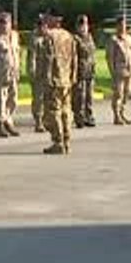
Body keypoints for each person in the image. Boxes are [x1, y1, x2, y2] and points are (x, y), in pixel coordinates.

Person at [41, 9, 78, 154]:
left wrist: (46, 78)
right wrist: (73, 76)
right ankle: (67, 140)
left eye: (47, 18)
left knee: (53, 111)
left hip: (54, 79)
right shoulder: (68, 36)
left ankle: (58, 141)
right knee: (66, 110)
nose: (45, 21)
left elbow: (48, 59)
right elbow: (74, 58)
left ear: (53, 20)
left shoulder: (49, 37)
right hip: (66, 79)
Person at [106, 16, 131, 125]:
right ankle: (116, 115)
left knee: (127, 92)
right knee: (118, 93)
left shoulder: (129, 38)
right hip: (119, 70)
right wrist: (112, 71)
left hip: (129, 69)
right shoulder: (113, 40)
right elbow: (110, 57)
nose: (123, 27)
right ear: (117, 26)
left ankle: (122, 112)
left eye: (124, 24)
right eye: (120, 25)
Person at [71, 15, 97, 127]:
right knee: (80, 96)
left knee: (89, 96)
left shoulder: (90, 38)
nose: (83, 27)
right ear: (77, 26)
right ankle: (79, 117)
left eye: (85, 24)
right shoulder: (75, 39)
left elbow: (93, 54)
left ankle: (89, 116)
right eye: (81, 24)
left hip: (89, 70)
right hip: (79, 71)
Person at [29, 16, 48, 132]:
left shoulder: (49, 38)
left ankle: (46, 119)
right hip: (39, 73)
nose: (42, 28)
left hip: (49, 73)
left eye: (44, 25)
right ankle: (38, 121)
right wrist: (32, 71)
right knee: (38, 98)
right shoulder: (35, 40)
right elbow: (32, 57)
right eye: (40, 25)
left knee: (47, 98)